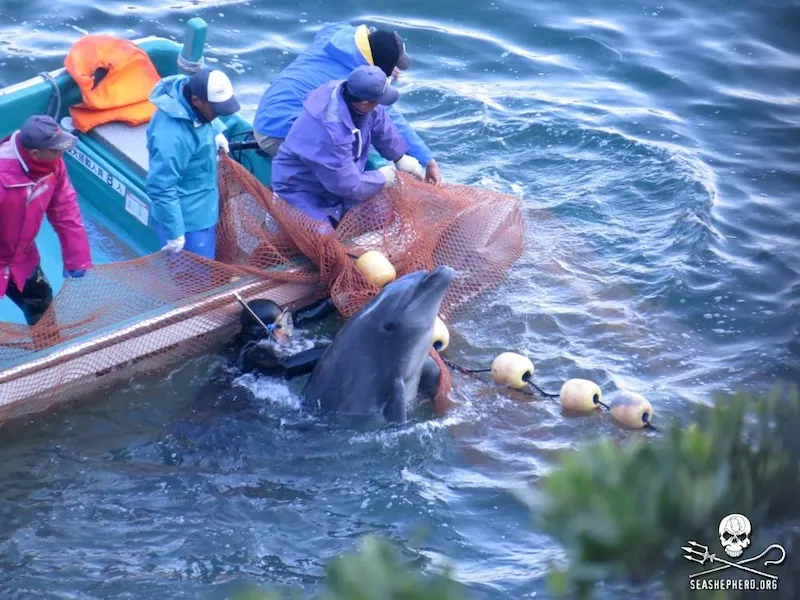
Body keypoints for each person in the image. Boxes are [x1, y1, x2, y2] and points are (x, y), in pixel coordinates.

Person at [253, 21, 442, 185]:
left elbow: (337, 26)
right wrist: (427, 160)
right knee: (361, 127)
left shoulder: (337, 35)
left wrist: (380, 64)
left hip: (266, 116)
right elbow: (390, 119)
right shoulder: (355, 80)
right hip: (276, 135)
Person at [271, 65, 426, 229]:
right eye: (377, 102)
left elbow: (379, 121)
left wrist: (400, 157)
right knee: (322, 239)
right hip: (300, 188)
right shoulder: (329, 133)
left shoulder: (352, 93)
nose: (378, 105)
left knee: (381, 213)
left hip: (338, 179)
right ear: (365, 104)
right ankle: (281, 214)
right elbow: (348, 185)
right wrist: (383, 178)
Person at [0, 115, 92, 326]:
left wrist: (77, 256)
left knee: (41, 302)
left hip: (22, 259)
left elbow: (65, 208)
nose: (62, 153)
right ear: (35, 153)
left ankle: (49, 351)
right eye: (56, 149)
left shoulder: (54, 166)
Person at [145, 67, 241, 260]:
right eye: (216, 111)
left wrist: (215, 131)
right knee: (193, 280)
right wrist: (175, 233)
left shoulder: (191, 97)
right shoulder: (171, 138)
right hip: (187, 221)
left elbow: (200, 120)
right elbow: (160, 187)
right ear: (197, 101)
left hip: (204, 206)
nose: (218, 115)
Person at [227, 297, 333, 379]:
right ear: (265, 329)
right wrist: (335, 350)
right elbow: (286, 365)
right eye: (281, 324)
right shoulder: (254, 351)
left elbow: (300, 318)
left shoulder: (265, 332)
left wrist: (332, 301)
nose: (286, 329)